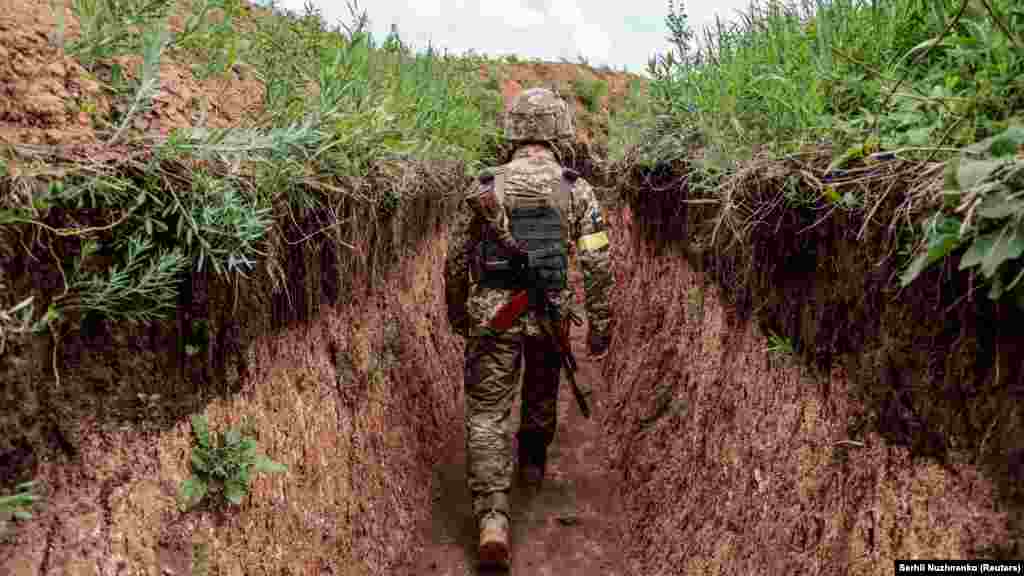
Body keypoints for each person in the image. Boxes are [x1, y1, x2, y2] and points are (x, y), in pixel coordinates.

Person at [443, 86, 615, 569]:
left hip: (492, 318)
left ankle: (492, 519)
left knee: (487, 412)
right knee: (542, 386)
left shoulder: (484, 187)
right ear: (560, 131)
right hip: (548, 314)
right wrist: (600, 324)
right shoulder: (575, 187)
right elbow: (597, 260)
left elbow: (456, 260)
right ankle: (533, 465)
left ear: (513, 131)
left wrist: (459, 311)